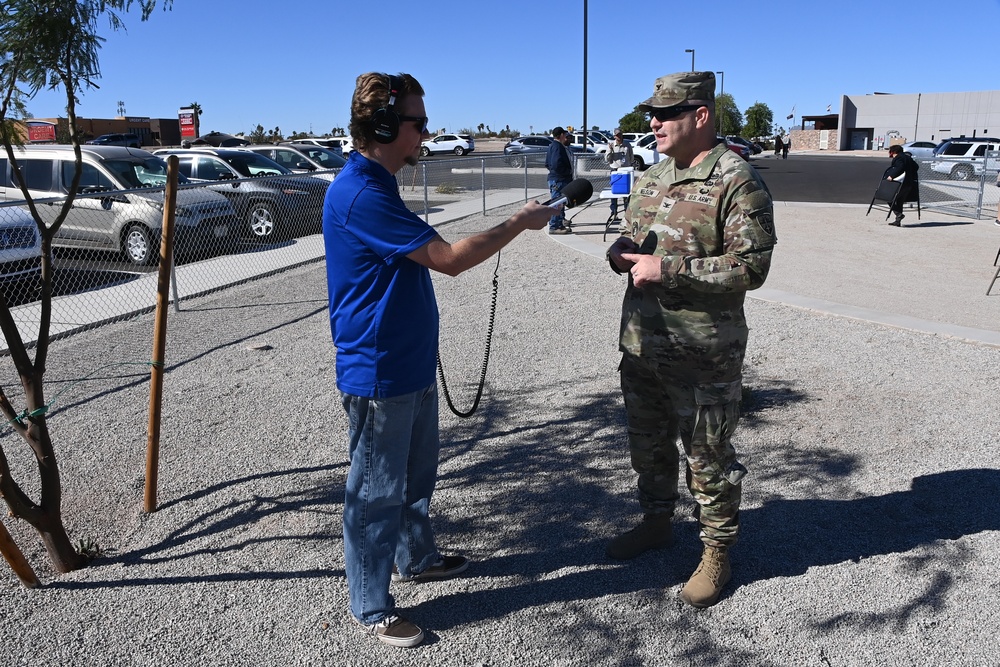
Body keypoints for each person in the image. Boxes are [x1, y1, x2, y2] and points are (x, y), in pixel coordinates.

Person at [322, 72, 556, 649]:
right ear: (382, 127)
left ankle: (418, 558)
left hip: (410, 366)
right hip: (380, 374)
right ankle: (371, 606)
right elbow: (448, 258)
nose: (427, 134)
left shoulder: (380, 184)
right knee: (375, 492)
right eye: (418, 124)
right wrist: (518, 223)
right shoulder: (360, 192)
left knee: (414, 479)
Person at [605, 71, 777, 609]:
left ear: (700, 116)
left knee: (707, 456)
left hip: (704, 353)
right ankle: (656, 522)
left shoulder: (737, 179)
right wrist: (623, 253)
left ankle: (717, 551)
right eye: (652, 114)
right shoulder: (654, 176)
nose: (652, 123)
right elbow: (643, 245)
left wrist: (669, 270)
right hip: (642, 344)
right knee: (647, 446)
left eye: (665, 114)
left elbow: (752, 267)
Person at [545, 126, 574, 234]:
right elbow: (556, 164)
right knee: (556, 204)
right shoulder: (557, 147)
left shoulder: (552, 146)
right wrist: (567, 172)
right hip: (559, 180)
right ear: (561, 135)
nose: (566, 136)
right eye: (564, 134)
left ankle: (559, 224)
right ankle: (554, 226)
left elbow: (547, 164)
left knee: (560, 203)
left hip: (556, 179)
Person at [884, 144, 919, 226]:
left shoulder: (899, 158)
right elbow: (916, 167)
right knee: (900, 201)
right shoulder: (908, 157)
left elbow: (900, 167)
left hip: (901, 183)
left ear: (893, 152)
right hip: (909, 183)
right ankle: (898, 221)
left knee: (889, 198)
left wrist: (891, 176)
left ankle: (899, 214)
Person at [606, 129, 634, 221]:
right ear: (614, 136)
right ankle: (614, 212)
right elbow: (607, 159)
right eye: (617, 135)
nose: (619, 136)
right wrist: (610, 150)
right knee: (614, 193)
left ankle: (627, 213)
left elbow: (631, 157)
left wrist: (630, 166)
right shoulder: (611, 145)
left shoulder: (627, 144)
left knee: (626, 193)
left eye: (620, 134)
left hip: (625, 170)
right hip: (615, 170)